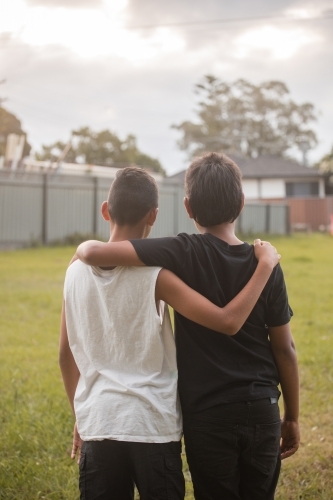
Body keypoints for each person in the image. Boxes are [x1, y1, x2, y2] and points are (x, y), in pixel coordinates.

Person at [76, 154, 300, 500]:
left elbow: (94, 253)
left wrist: (81, 249)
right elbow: (285, 348)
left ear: (188, 207)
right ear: (241, 204)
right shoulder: (264, 262)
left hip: (207, 415)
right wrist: (293, 417)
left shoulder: (181, 251)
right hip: (262, 407)